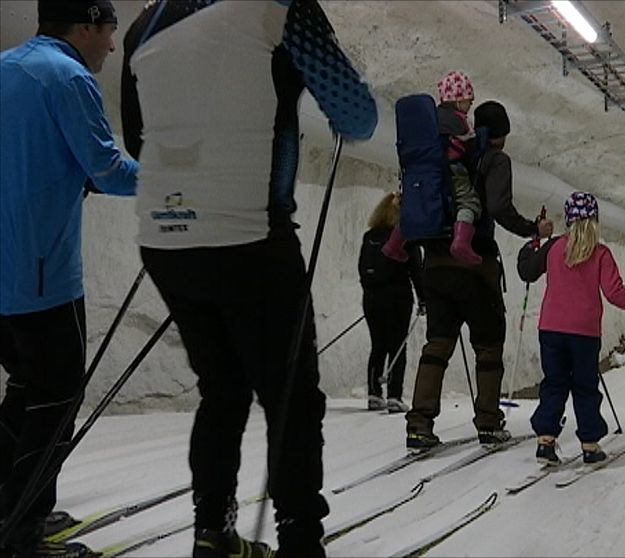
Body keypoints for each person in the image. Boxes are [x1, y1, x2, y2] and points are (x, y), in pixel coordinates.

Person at [121, 1, 377, 557]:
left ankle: (212, 531)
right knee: (291, 398)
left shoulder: (145, 23)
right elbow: (357, 115)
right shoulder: (283, 7)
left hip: (165, 238)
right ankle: (300, 539)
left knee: (222, 389)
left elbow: (137, 134)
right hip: (249, 234)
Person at [0, 2, 137, 556]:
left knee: (27, 389)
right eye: (109, 31)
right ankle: (24, 530)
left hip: (7, 272)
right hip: (40, 273)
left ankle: (11, 505)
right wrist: (186, 183)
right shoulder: (69, 77)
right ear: (85, 26)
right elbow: (109, 170)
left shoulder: (8, 66)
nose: (111, 45)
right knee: (55, 395)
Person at [405, 100, 554, 451]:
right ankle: (488, 422)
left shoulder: (447, 152)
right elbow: (500, 208)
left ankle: (419, 424)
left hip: (435, 264)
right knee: (488, 346)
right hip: (474, 265)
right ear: (502, 133)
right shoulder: (495, 159)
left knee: (437, 345)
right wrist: (535, 228)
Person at [517, 192, 625, 464]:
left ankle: (545, 442)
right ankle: (589, 444)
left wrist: (533, 242)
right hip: (584, 333)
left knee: (554, 384)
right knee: (585, 386)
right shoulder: (600, 253)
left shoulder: (554, 248)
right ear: (595, 220)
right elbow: (615, 293)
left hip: (550, 329)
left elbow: (527, 269)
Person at [382, 71, 484, 266]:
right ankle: (461, 242)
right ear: (457, 100)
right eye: (468, 100)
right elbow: (470, 146)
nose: (470, 104)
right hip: (451, 170)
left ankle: (393, 245)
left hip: (416, 174)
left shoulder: (428, 121)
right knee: (468, 202)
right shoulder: (457, 120)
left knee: (413, 208)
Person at [359, 192, 425, 413]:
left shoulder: (369, 237)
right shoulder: (405, 236)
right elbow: (416, 270)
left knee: (377, 344)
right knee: (397, 344)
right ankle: (394, 395)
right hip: (397, 296)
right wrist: (423, 299)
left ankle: (373, 393)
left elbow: (362, 268)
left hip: (371, 298)